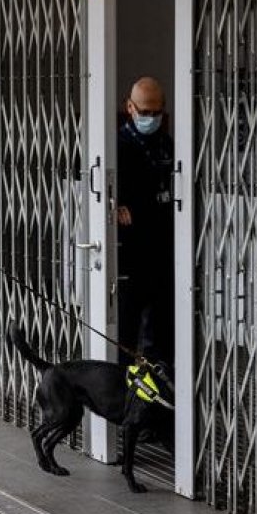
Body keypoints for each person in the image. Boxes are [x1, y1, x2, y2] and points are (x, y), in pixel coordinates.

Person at [116, 77, 174, 367]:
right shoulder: (116, 145)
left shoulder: (167, 144)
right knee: (126, 332)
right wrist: (111, 207)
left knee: (161, 332)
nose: (150, 118)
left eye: (156, 112)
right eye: (144, 112)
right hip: (130, 252)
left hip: (162, 250)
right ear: (130, 107)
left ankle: (158, 392)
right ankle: (124, 393)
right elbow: (90, 186)